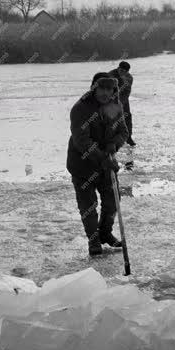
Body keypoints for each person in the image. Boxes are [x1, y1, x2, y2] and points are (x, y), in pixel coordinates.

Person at [67, 72, 129, 256]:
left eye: (109, 89)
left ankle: (105, 233)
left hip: (106, 162)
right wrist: (102, 158)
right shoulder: (81, 109)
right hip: (83, 164)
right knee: (89, 205)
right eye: (101, 88)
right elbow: (81, 140)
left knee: (112, 201)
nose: (105, 93)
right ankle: (94, 240)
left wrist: (113, 144)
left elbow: (123, 131)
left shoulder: (116, 106)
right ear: (94, 88)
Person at [109, 61, 135, 147]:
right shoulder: (110, 75)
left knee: (127, 117)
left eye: (124, 71)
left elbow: (126, 92)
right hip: (110, 100)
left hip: (123, 99)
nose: (121, 72)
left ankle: (128, 137)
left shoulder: (129, 78)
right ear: (118, 68)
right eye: (120, 70)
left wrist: (120, 104)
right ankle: (110, 140)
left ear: (127, 72)